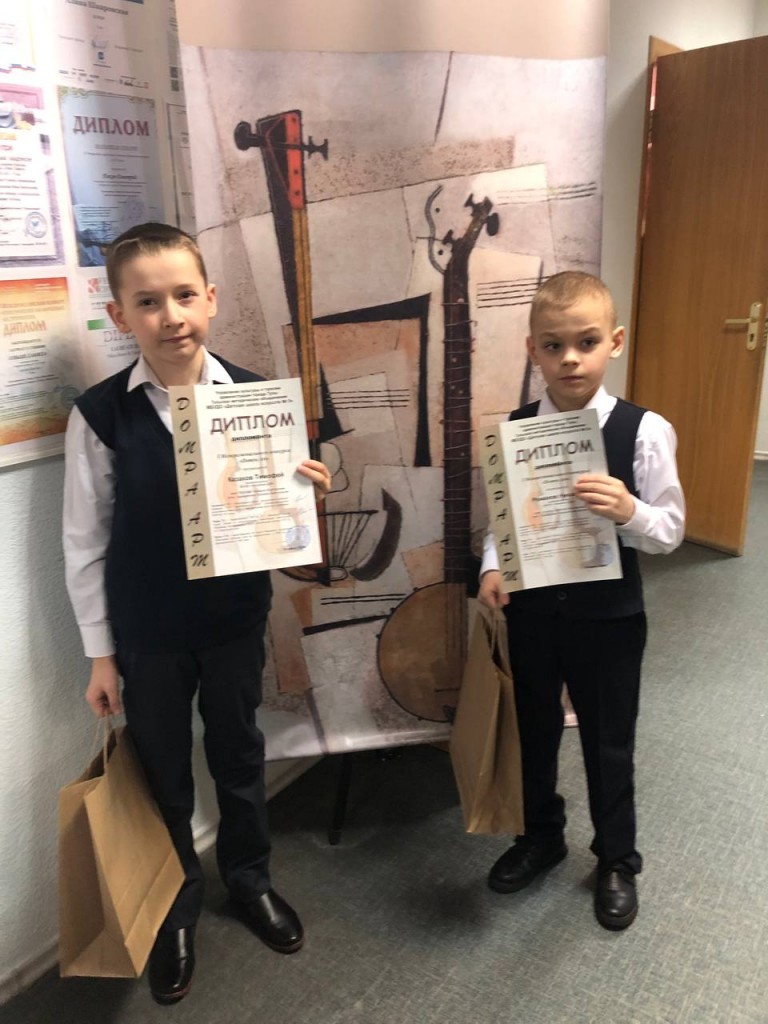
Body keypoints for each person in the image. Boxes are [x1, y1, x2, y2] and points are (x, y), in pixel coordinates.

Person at [62, 222, 331, 1004]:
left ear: (210, 299)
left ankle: (249, 878)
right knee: (164, 773)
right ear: (120, 315)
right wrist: (100, 655)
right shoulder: (101, 416)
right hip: (147, 635)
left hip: (233, 621)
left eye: (184, 295)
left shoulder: (258, 400)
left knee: (240, 754)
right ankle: (176, 906)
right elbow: (84, 542)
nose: (171, 315)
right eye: (148, 302)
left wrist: (302, 497)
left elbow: (281, 534)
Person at [478, 271, 684, 931]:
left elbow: (670, 531)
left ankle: (617, 857)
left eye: (586, 342)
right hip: (534, 615)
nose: (570, 358)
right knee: (534, 731)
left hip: (609, 620)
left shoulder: (644, 431)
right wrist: (492, 566)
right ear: (532, 351)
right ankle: (540, 836)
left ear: (614, 342)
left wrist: (628, 511)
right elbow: (502, 520)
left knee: (607, 739)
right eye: (553, 345)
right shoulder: (515, 429)